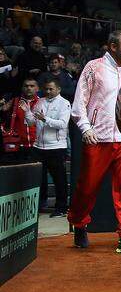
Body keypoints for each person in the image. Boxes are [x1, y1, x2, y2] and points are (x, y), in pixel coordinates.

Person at [68, 30, 121, 254]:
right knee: (87, 187)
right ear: (112, 47)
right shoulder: (94, 67)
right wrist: (85, 127)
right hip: (97, 138)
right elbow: (80, 101)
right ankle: (79, 223)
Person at [22, 78, 71, 216]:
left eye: (51, 89)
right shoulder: (40, 102)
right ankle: (40, 205)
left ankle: (61, 208)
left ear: (58, 89)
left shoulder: (64, 103)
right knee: (38, 178)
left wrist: (45, 119)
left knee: (59, 179)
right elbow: (31, 122)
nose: (48, 91)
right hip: (39, 146)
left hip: (56, 147)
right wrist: (27, 111)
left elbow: (62, 124)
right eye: (46, 89)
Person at [1, 78, 39, 162]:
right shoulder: (14, 102)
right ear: (22, 88)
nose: (29, 88)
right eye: (26, 86)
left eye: (32, 86)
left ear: (37, 88)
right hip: (17, 144)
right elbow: (3, 113)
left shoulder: (42, 102)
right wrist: (3, 108)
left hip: (37, 145)